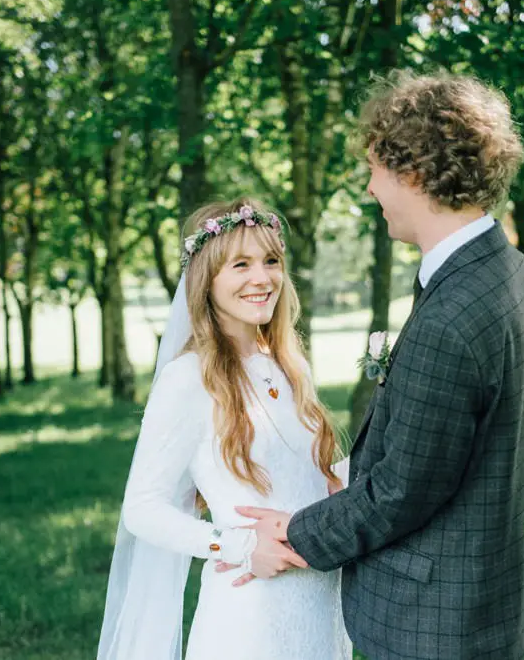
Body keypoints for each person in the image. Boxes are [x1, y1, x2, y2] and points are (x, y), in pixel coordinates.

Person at [232, 70, 524, 659]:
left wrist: (292, 530)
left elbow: (402, 492)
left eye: (377, 167)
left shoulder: (454, 313)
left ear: (417, 173)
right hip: (484, 606)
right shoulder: (507, 270)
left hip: (434, 627)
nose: (371, 187)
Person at [95, 198, 351, 660]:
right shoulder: (187, 379)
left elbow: (308, 476)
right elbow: (142, 508)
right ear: (206, 280)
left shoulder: (289, 366)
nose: (262, 278)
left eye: (271, 261)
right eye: (241, 264)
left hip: (319, 605)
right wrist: (239, 544)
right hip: (249, 614)